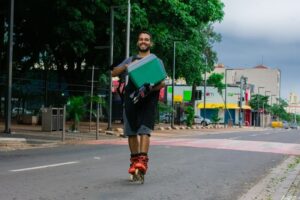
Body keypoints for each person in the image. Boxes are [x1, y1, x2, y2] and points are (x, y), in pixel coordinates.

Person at [112, 31, 165, 178]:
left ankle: (142, 160)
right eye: (141, 39)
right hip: (130, 101)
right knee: (131, 132)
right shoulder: (130, 59)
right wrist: (128, 66)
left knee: (144, 130)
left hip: (148, 102)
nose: (144, 41)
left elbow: (162, 83)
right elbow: (113, 72)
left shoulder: (156, 61)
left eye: (146, 39)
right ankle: (134, 161)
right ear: (137, 42)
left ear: (150, 43)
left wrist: (148, 89)